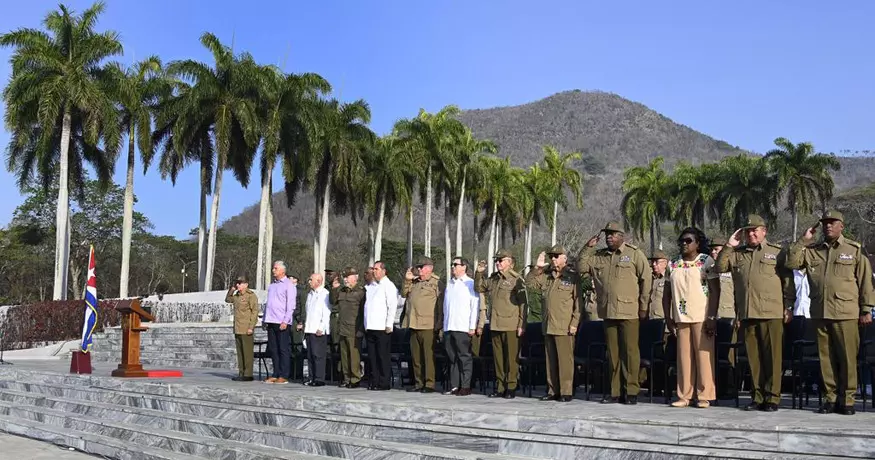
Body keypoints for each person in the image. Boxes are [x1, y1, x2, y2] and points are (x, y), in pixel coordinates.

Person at [787, 210, 875, 415]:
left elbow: (865, 282)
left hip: (846, 312)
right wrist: (803, 240)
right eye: (825, 223)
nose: (828, 226)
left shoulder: (853, 249)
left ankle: (848, 399)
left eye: (832, 222)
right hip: (820, 312)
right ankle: (830, 398)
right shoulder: (813, 250)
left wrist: (866, 309)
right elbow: (792, 263)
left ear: (841, 226)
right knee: (825, 359)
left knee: (847, 358)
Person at [715, 215, 794, 412]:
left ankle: (772, 397)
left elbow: (788, 281)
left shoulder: (776, 252)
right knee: (753, 358)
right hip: (748, 312)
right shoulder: (738, 254)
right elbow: (720, 266)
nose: (751, 233)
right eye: (748, 230)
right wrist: (729, 245)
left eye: (755, 230)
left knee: (772, 357)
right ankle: (757, 396)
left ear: (764, 231)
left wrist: (789, 306)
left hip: (771, 312)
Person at [578, 222, 651, 405]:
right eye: (607, 235)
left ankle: (631, 390)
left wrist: (643, 306)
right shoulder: (600, 256)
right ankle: (615, 391)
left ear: (621, 236)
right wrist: (588, 247)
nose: (609, 237)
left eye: (613, 234)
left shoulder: (634, 254)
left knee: (630, 352)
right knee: (613, 353)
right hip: (608, 311)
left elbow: (646, 280)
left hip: (629, 311)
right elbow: (581, 267)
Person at [663, 228, 719, 408]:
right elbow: (666, 295)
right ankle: (684, 395)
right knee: (684, 359)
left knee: (703, 357)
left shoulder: (705, 261)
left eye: (688, 241)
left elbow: (715, 290)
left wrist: (711, 316)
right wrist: (668, 317)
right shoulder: (673, 264)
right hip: (681, 317)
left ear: (698, 243)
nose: (684, 244)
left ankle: (704, 395)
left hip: (701, 316)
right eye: (682, 241)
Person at [527, 245, 581, 402]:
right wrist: (537, 267)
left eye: (556, 256)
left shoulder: (572, 277)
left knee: (565, 361)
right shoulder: (546, 276)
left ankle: (566, 391)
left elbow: (578, 303)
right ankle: (552, 391)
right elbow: (529, 283)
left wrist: (574, 323)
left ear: (565, 258)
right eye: (551, 256)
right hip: (548, 324)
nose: (553, 259)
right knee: (550, 361)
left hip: (565, 325)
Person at [474, 249, 526, 399]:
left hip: (511, 324)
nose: (497, 263)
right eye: (496, 260)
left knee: (511, 358)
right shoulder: (494, 279)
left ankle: (511, 386)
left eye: (500, 260)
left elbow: (523, 304)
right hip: (496, 324)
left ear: (510, 262)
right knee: (498, 359)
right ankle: (500, 386)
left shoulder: (517, 279)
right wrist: (479, 273)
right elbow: (479, 287)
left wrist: (522, 324)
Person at [401, 256, 443, 393]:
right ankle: (419, 382)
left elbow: (441, 305)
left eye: (421, 267)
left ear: (429, 268)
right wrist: (407, 280)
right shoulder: (414, 282)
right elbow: (404, 294)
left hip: (428, 324)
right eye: (418, 267)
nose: (419, 270)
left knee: (427, 356)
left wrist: (439, 324)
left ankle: (429, 383)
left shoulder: (436, 283)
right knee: (416, 357)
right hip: (414, 323)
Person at [443, 257, 481, 396]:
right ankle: (454, 385)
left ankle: (465, 385)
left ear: (464, 267)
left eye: (456, 264)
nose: (453, 267)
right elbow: (446, 307)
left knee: (464, 357)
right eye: (452, 264)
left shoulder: (470, 283)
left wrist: (472, 326)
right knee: (452, 357)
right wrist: (444, 325)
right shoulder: (450, 283)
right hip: (449, 326)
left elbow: (474, 306)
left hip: (463, 326)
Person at [364, 261, 398, 391]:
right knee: (372, 356)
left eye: (377, 269)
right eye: (373, 269)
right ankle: (375, 380)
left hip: (382, 327)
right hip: (371, 326)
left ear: (384, 271)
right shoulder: (372, 286)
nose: (374, 271)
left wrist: (389, 324)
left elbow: (392, 305)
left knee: (382, 356)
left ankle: (384, 382)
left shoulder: (388, 285)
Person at [330, 267, 366, 388]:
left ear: (355, 277)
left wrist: (361, 329)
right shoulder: (342, 291)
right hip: (342, 327)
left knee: (354, 356)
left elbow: (362, 313)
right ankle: (346, 378)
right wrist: (334, 289)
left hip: (354, 328)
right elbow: (333, 301)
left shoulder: (361, 292)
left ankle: (355, 379)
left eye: (348, 277)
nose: (345, 279)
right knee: (344, 356)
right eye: (344, 277)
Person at [264, 261, 296, 384]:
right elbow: (269, 304)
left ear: (283, 271)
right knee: (274, 349)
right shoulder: (272, 286)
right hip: (271, 320)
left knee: (283, 349)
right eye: (273, 268)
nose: (273, 270)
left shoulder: (288, 285)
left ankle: (284, 374)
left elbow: (291, 305)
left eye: (276, 268)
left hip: (282, 321)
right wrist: (265, 319)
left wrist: (286, 320)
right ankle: (276, 373)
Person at [225, 274, 259, 382]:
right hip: (238, 327)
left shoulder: (251, 296)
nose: (238, 285)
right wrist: (232, 289)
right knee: (240, 352)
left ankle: (248, 373)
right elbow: (227, 299)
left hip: (246, 327)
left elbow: (254, 312)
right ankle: (241, 372)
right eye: (237, 283)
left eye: (240, 283)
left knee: (247, 352)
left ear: (246, 284)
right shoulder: (236, 296)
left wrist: (251, 327)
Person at [303, 273, 331, 386]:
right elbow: (308, 311)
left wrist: (322, 327)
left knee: (318, 355)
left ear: (318, 281)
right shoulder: (310, 294)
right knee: (310, 355)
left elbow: (326, 312)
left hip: (318, 329)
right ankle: (311, 377)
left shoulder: (325, 294)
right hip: (309, 328)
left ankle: (319, 378)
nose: (309, 281)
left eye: (311, 279)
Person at [708, 238, 736, 320]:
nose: (713, 252)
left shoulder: (732, 266)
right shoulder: (708, 268)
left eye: (716, 249)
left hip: (729, 313)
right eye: (711, 249)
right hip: (711, 313)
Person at [648, 250, 669, 319]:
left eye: (657, 262)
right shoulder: (648, 278)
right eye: (652, 261)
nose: (653, 264)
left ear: (665, 263)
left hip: (662, 319)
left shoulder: (669, 279)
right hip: (647, 318)